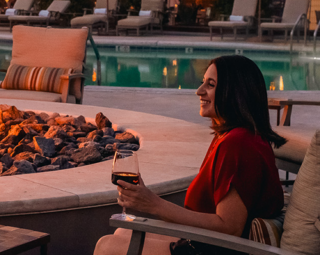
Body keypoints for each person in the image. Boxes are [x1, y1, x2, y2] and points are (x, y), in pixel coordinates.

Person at [95, 55, 285, 255]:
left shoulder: (238, 144)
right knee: (121, 233)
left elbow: (229, 227)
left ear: (235, 93)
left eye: (210, 85)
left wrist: (154, 204)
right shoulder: (232, 136)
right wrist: (149, 201)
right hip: (209, 241)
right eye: (203, 82)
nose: (199, 91)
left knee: (107, 247)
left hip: (221, 248)